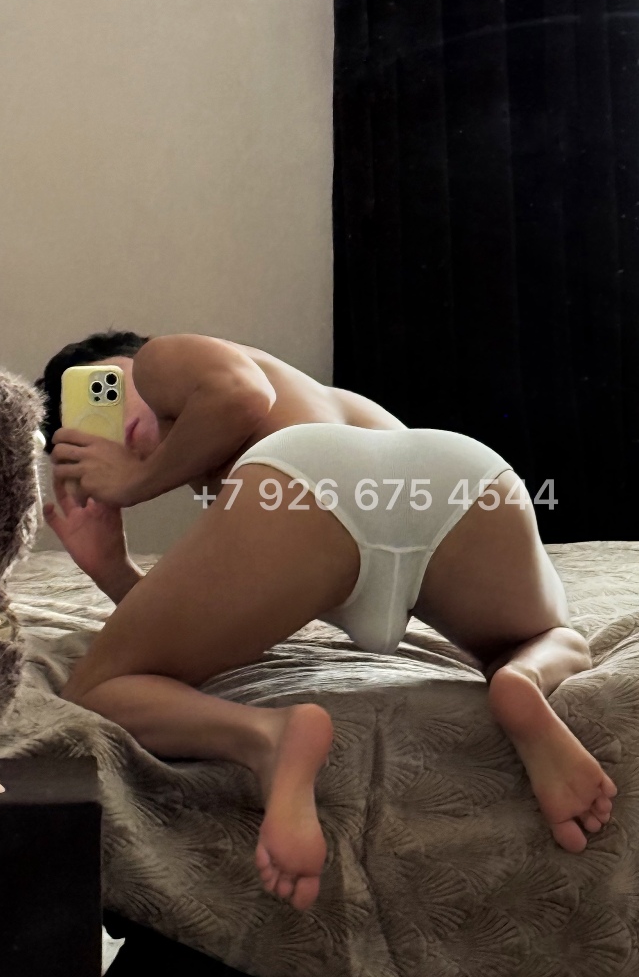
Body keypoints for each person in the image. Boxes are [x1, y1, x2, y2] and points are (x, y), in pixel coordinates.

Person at [36, 329, 616, 911]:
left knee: (98, 688)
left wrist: (135, 483)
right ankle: (521, 682)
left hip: (309, 479)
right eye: (92, 421)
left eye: (110, 388)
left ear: (132, 359)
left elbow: (241, 394)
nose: (112, 423)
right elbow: (220, 637)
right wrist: (112, 569)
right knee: (551, 637)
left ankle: (268, 739)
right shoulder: (282, 435)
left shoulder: (165, 358)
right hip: (456, 478)